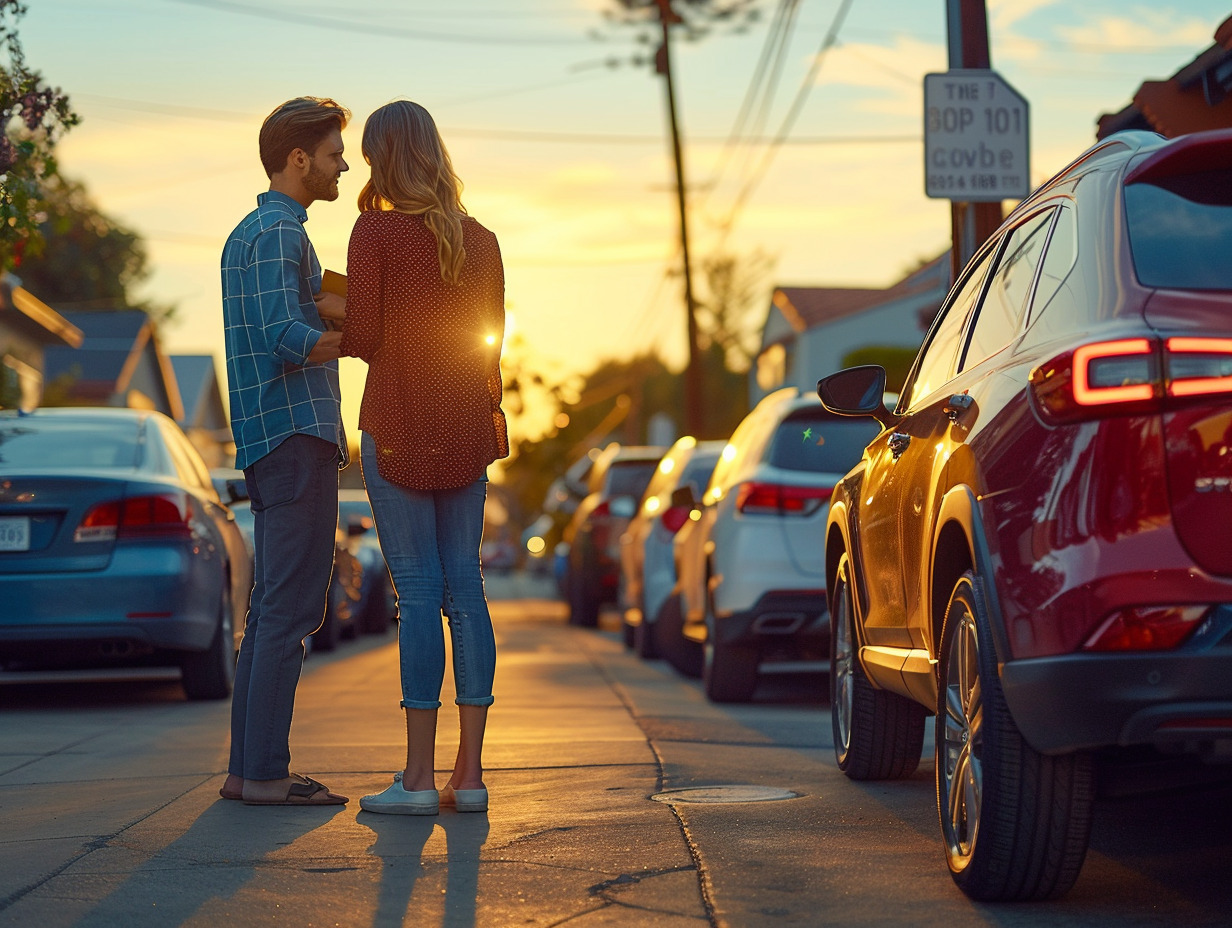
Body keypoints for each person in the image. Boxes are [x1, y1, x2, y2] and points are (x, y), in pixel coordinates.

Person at [341, 100, 508, 815]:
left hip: (398, 425)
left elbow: (365, 336)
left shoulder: (373, 231)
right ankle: (467, 777)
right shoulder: (485, 240)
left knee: (416, 594)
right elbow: (490, 343)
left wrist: (328, 310)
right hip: (467, 431)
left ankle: (414, 780)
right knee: (463, 590)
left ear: (384, 156)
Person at [219, 96, 352, 806]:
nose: (343, 165)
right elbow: (282, 336)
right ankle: (267, 774)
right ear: (298, 158)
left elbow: (289, 315)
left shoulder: (254, 232)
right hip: (295, 437)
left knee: (270, 608)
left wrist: (329, 305)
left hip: (270, 440)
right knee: (291, 610)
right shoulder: (278, 233)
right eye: (334, 154)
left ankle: (249, 771)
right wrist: (367, 338)